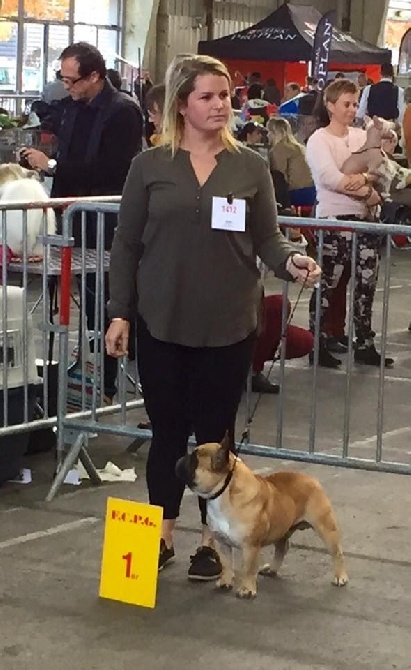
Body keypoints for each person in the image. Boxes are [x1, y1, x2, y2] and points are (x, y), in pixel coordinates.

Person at [105, 53, 321, 580]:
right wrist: (119, 313)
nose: (221, 105)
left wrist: (291, 259)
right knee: (167, 434)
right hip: (161, 320)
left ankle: (210, 543)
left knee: (215, 437)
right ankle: (159, 537)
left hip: (228, 324)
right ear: (182, 103)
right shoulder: (149, 166)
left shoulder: (250, 165)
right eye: (208, 96)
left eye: (225, 95)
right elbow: (127, 243)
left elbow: (267, 239)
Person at [20, 42, 144, 401]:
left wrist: (53, 165)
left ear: (95, 76)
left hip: (106, 222)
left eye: (72, 81)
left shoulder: (123, 112)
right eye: (62, 80)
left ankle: (105, 381)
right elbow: (68, 153)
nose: (67, 87)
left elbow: (111, 169)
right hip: (72, 218)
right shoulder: (73, 107)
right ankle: (81, 371)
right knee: (85, 306)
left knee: (108, 301)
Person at [306, 78, 394, 368]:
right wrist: (367, 189)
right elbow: (330, 178)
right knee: (328, 284)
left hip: (365, 221)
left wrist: (365, 179)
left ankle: (364, 342)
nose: (352, 109)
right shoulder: (319, 139)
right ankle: (316, 342)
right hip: (334, 220)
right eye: (346, 104)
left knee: (367, 284)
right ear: (330, 106)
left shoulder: (360, 135)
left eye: (355, 104)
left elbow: (381, 168)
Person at [267, 116, 316, 209]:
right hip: (312, 192)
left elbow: (279, 179)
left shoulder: (278, 150)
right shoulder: (299, 147)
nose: (267, 135)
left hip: (296, 194)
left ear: (274, 133)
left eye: (269, 132)